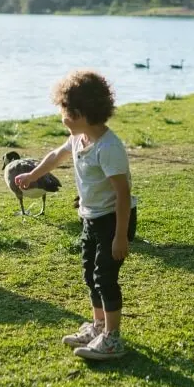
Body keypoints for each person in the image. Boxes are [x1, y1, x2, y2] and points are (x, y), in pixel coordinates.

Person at [15, 69, 137, 360]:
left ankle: (112, 338)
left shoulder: (108, 148)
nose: (62, 117)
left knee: (105, 278)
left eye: (65, 112)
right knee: (90, 273)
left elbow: (122, 193)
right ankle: (97, 327)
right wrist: (33, 174)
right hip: (91, 217)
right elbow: (56, 156)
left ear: (84, 112)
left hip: (113, 220)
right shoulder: (78, 138)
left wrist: (120, 236)